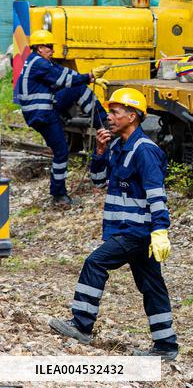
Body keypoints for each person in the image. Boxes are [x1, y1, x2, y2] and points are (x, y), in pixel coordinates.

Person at [49, 87, 178, 361]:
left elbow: (157, 193)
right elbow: (98, 182)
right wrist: (100, 150)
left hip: (136, 232)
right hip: (126, 230)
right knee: (152, 285)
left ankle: (81, 324)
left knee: (95, 263)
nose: (109, 117)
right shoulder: (118, 146)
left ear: (132, 116)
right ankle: (166, 345)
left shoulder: (145, 151)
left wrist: (160, 229)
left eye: (115, 113)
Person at [15, 29, 109, 206]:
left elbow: (65, 73)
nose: (52, 50)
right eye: (48, 47)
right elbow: (64, 79)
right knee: (61, 152)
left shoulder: (41, 62)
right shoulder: (39, 64)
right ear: (39, 48)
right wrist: (89, 76)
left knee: (79, 89)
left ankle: (102, 121)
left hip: (43, 110)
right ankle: (58, 195)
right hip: (42, 113)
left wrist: (88, 77)